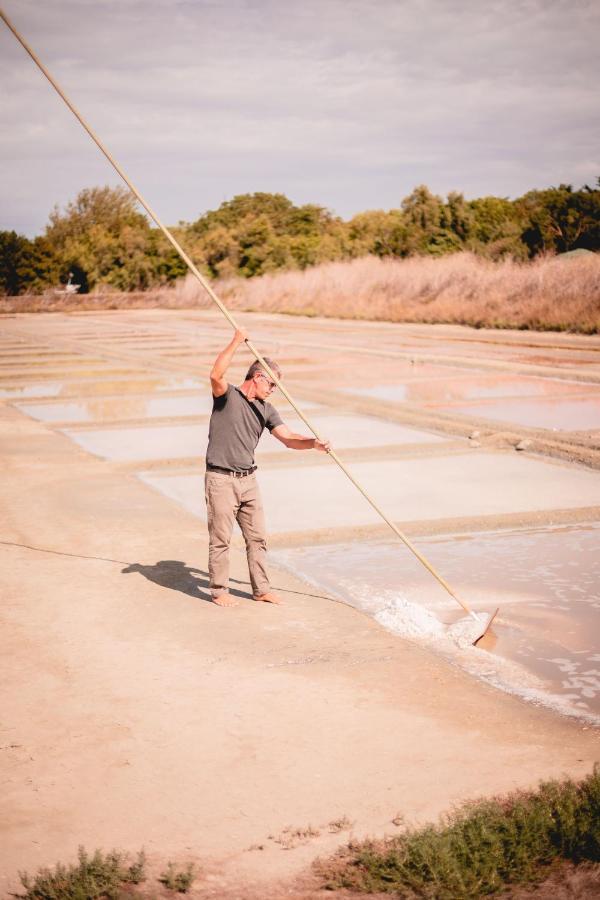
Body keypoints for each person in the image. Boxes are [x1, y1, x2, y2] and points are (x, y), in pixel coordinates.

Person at [205, 328, 330, 607]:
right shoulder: (228, 396)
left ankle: (261, 589)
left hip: (249, 480)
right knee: (221, 539)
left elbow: (288, 438)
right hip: (221, 479)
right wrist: (236, 341)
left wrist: (313, 444)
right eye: (272, 384)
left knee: (258, 537)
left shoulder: (267, 409)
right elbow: (215, 375)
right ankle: (219, 591)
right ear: (258, 377)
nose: (273, 390)